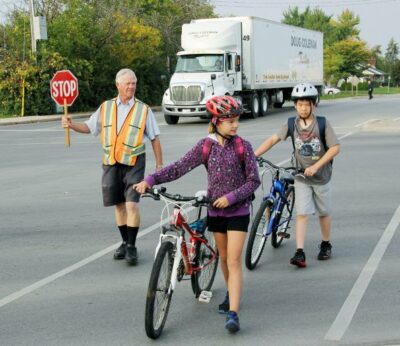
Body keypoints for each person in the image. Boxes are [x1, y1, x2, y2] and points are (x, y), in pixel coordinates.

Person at [134, 95, 260, 334]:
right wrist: (150, 179)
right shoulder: (206, 146)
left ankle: (233, 313)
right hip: (215, 211)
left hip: (239, 210)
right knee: (223, 258)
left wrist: (231, 197)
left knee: (233, 260)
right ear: (216, 121)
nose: (235, 125)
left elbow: (254, 180)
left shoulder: (244, 146)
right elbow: (179, 167)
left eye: (236, 120)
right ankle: (231, 293)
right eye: (229, 121)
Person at [61, 68, 163, 265]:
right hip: (111, 163)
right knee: (118, 205)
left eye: (134, 83)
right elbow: (90, 127)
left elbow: (155, 138)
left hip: (134, 163)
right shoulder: (106, 107)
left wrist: (159, 165)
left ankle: (132, 247)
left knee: (132, 204)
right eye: (128, 83)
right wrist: (71, 125)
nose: (131, 86)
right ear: (118, 85)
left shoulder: (143, 110)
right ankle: (124, 242)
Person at [255, 83, 340, 268]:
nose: (303, 108)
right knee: (302, 213)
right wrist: (254, 155)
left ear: (313, 105)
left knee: (324, 212)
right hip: (301, 177)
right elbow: (272, 139)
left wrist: (316, 166)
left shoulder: (322, 124)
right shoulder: (291, 124)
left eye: (306, 104)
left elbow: (335, 148)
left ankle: (326, 244)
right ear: (295, 105)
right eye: (299, 104)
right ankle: (299, 252)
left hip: (321, 177)